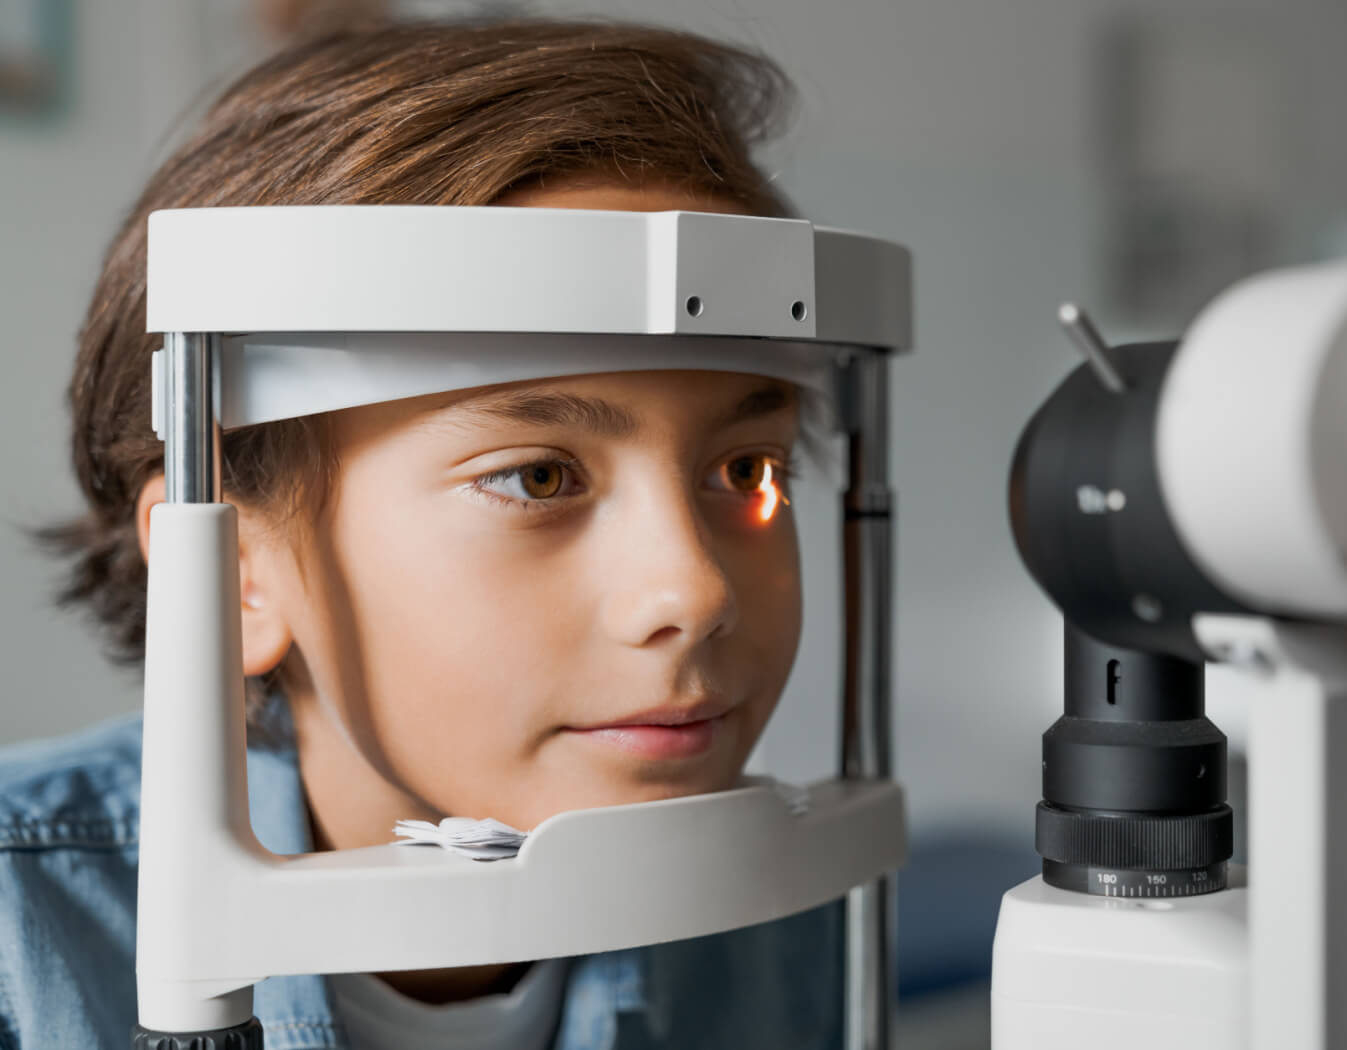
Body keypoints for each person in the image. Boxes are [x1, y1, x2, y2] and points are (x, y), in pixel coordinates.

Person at [0, 18, 842, 1050]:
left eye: (745, 471)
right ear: (233, 571)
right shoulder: (19, 945)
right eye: (537, 477)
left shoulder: (787, 914)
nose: (694, 592)